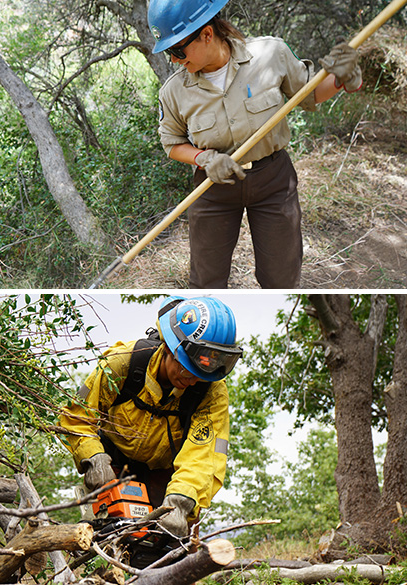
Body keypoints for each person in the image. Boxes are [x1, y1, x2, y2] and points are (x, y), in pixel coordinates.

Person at [149, 0, 364, 288]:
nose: (174, 60)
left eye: (178, 50)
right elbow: (172, 144)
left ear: (207, 34)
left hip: (273, 180)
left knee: (281, 278)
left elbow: (309, 95)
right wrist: (205, 159)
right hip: (213, 188)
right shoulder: (174, 92)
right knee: (206, 281)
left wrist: (342, 79)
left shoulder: (270, 53)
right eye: (169, 53)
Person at [59, 296, 242, 537]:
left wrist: (180, 503)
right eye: (187, 368)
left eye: (201, 374)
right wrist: (93, 458)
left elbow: (203, 457)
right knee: (110, 539)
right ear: (168, 348)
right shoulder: (123, 363)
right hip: (113, 465)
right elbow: (79, 415)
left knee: (169, 550)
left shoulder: (211, 391)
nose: (192, 380)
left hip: (168, 476)